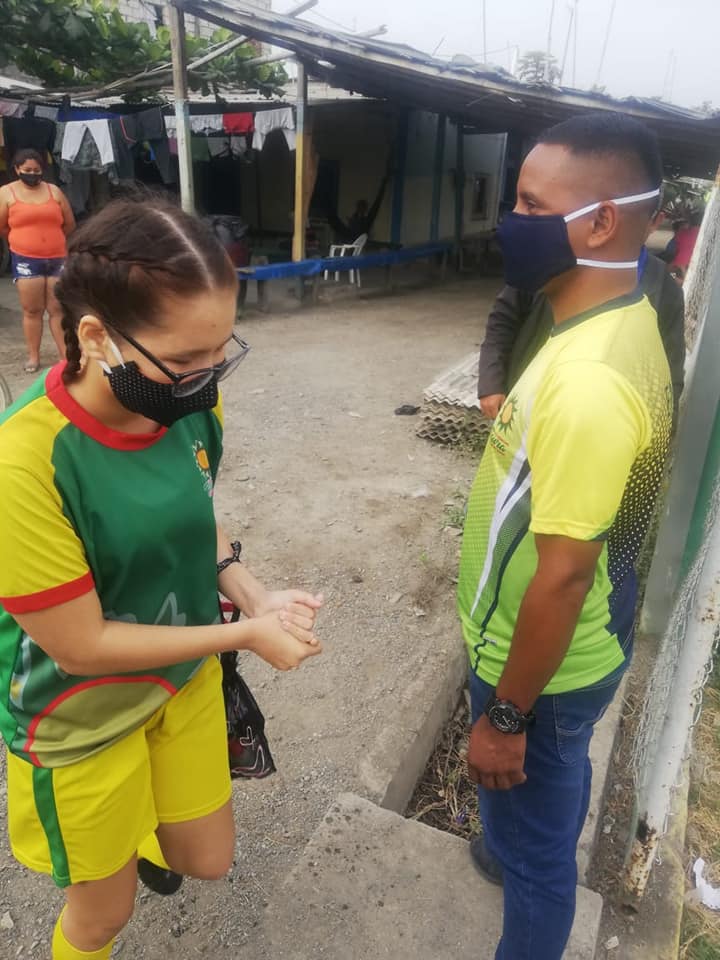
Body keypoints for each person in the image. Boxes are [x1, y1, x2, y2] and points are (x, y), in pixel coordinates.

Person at [0, 197, 324, 960]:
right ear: (95, 337)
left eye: (219, 352)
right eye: (184, 360)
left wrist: (253, 592)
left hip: (180, 678)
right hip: (81, 715)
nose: (206, 381)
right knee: (101, 917)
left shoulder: (186, 406)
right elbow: (80, 646)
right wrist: (244, 635)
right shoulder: (26, 464)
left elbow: (194, 509)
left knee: (205, 858)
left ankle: (140, 823)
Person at [457, 113, 672, 960]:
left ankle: (517, 864)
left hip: (536, 667)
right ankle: (502, 841)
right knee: (547, 789)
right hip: (568, 653)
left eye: (530, 205)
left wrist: (506, 714)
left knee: (541, 864)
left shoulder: (587, 383)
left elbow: (564, 576)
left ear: (601, 221)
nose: (511, 221)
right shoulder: (619, 316)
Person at [477, 239, 686, 424]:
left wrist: (664, 424)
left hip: (603, 421)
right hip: (527, 403)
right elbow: (504, 317)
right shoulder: (551, 259)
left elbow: (671, 366)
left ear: (655, 220)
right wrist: (491, 382)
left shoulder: (664, 288)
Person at [0, 148, 76, 373]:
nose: (32, 174)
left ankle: (64, 357)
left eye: (36, 170)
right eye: (27, 170)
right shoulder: (6, 193)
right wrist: (22, 240)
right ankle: (33, 356)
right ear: (17, 170)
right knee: (32, 310)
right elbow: (2, 226)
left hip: (57, 258)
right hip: (26, 260)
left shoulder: (54, 191)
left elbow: (69, 224)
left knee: (57, 309)